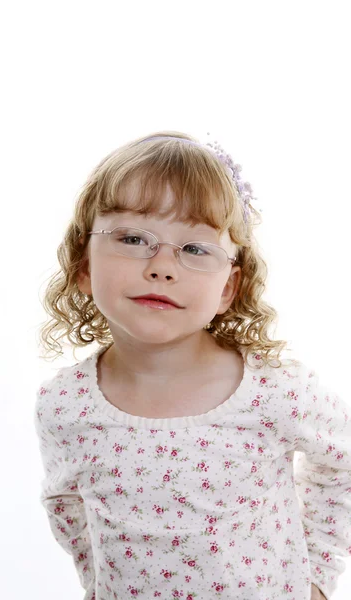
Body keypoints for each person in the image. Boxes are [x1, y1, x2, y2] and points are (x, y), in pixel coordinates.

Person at [34, 131, 350, 600]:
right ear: (84, 264)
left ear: (228, 288)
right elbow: (67, 508)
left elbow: (341, 467)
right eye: (134, 238)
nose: (162, 266)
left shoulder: (275, 390)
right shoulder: (65, 405)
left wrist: (317, 580)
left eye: (195, 249)